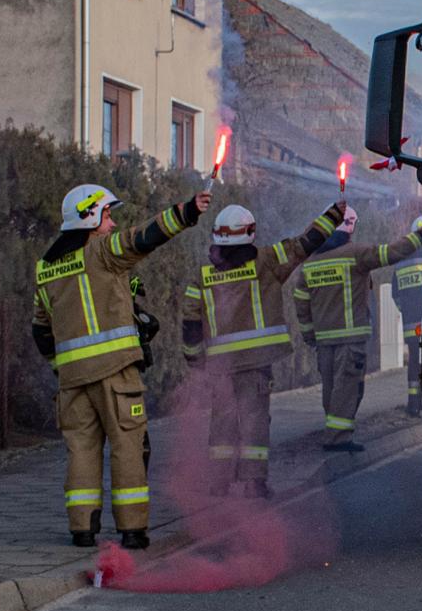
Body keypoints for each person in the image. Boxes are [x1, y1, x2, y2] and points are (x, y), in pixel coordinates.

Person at [33, 183, 209, 549]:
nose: (112, 224)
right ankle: (132, 531)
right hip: (115, 373)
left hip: (72, 381)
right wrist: (188, 211)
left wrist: (61, 368)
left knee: (81, 450)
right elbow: (144, 237)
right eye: (108, 215)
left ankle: (82, 529)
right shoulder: (102, 251)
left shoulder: (45, 269)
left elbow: (41, 331)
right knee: (128, 446)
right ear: (89, 216)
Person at [183, 200, 347, 498]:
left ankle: (218, 482)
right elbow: (305, 243)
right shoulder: (267, 260)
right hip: (256, 362)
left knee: (221, 420)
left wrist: (195, 359)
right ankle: (254, 483)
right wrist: (334, 215)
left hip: (220, 366)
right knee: (255, 420)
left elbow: (190, 320)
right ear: (250, 232)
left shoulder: (202, 276)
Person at [292, 211, 422, 451]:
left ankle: (333, 431)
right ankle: (338, 439)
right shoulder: (355, 253)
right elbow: (389, 253)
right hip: (350, 338)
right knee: (348, 387)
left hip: (323, 341)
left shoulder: (311, 263)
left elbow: (301, 302)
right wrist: (419, 236)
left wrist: (309, 335)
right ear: (349, 225)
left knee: (331, 387)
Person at [386, 240, 422, 416]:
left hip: (409, 324)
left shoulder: (400, 262)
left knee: (414, 360)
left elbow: (395, 295)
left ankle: (413, 404)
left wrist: (405, 310)